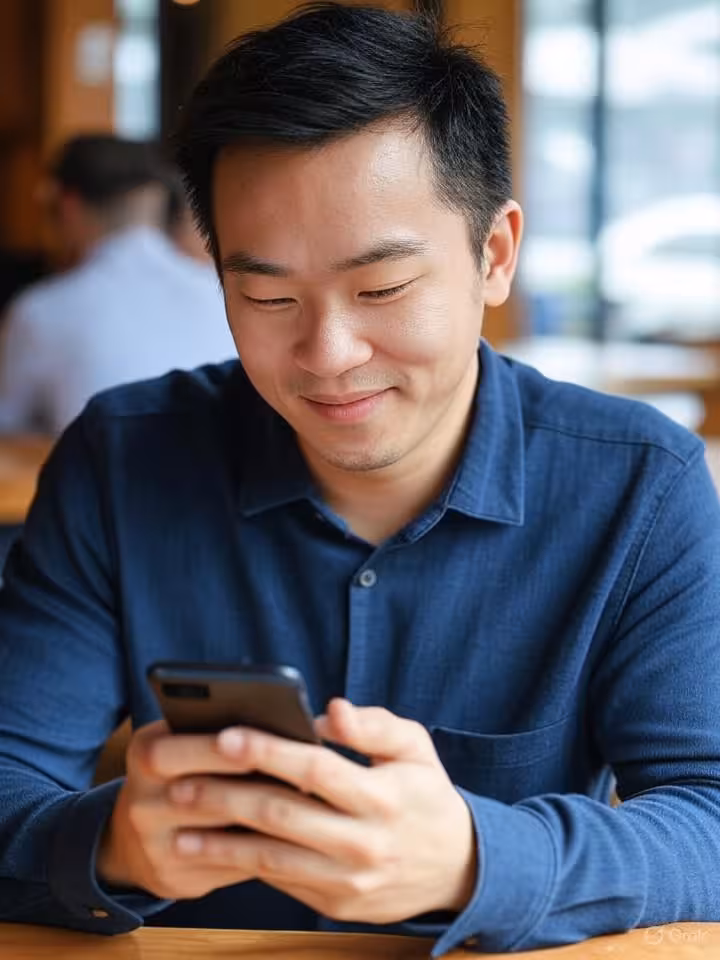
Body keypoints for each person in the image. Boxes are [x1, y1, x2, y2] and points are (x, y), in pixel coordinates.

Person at [0, 3, 719, 954]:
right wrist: (114, 846)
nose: (328, 354)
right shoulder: (124, 458)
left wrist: (475, 855)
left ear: (494, 254)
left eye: (381, 289)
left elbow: (708, 819)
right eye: (267, 296)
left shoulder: (640, 485)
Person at [0, 134, 235, 435]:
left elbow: (8, 423)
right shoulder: (222, 290)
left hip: (105, 476)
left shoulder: (43, 309)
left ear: (69, 206)